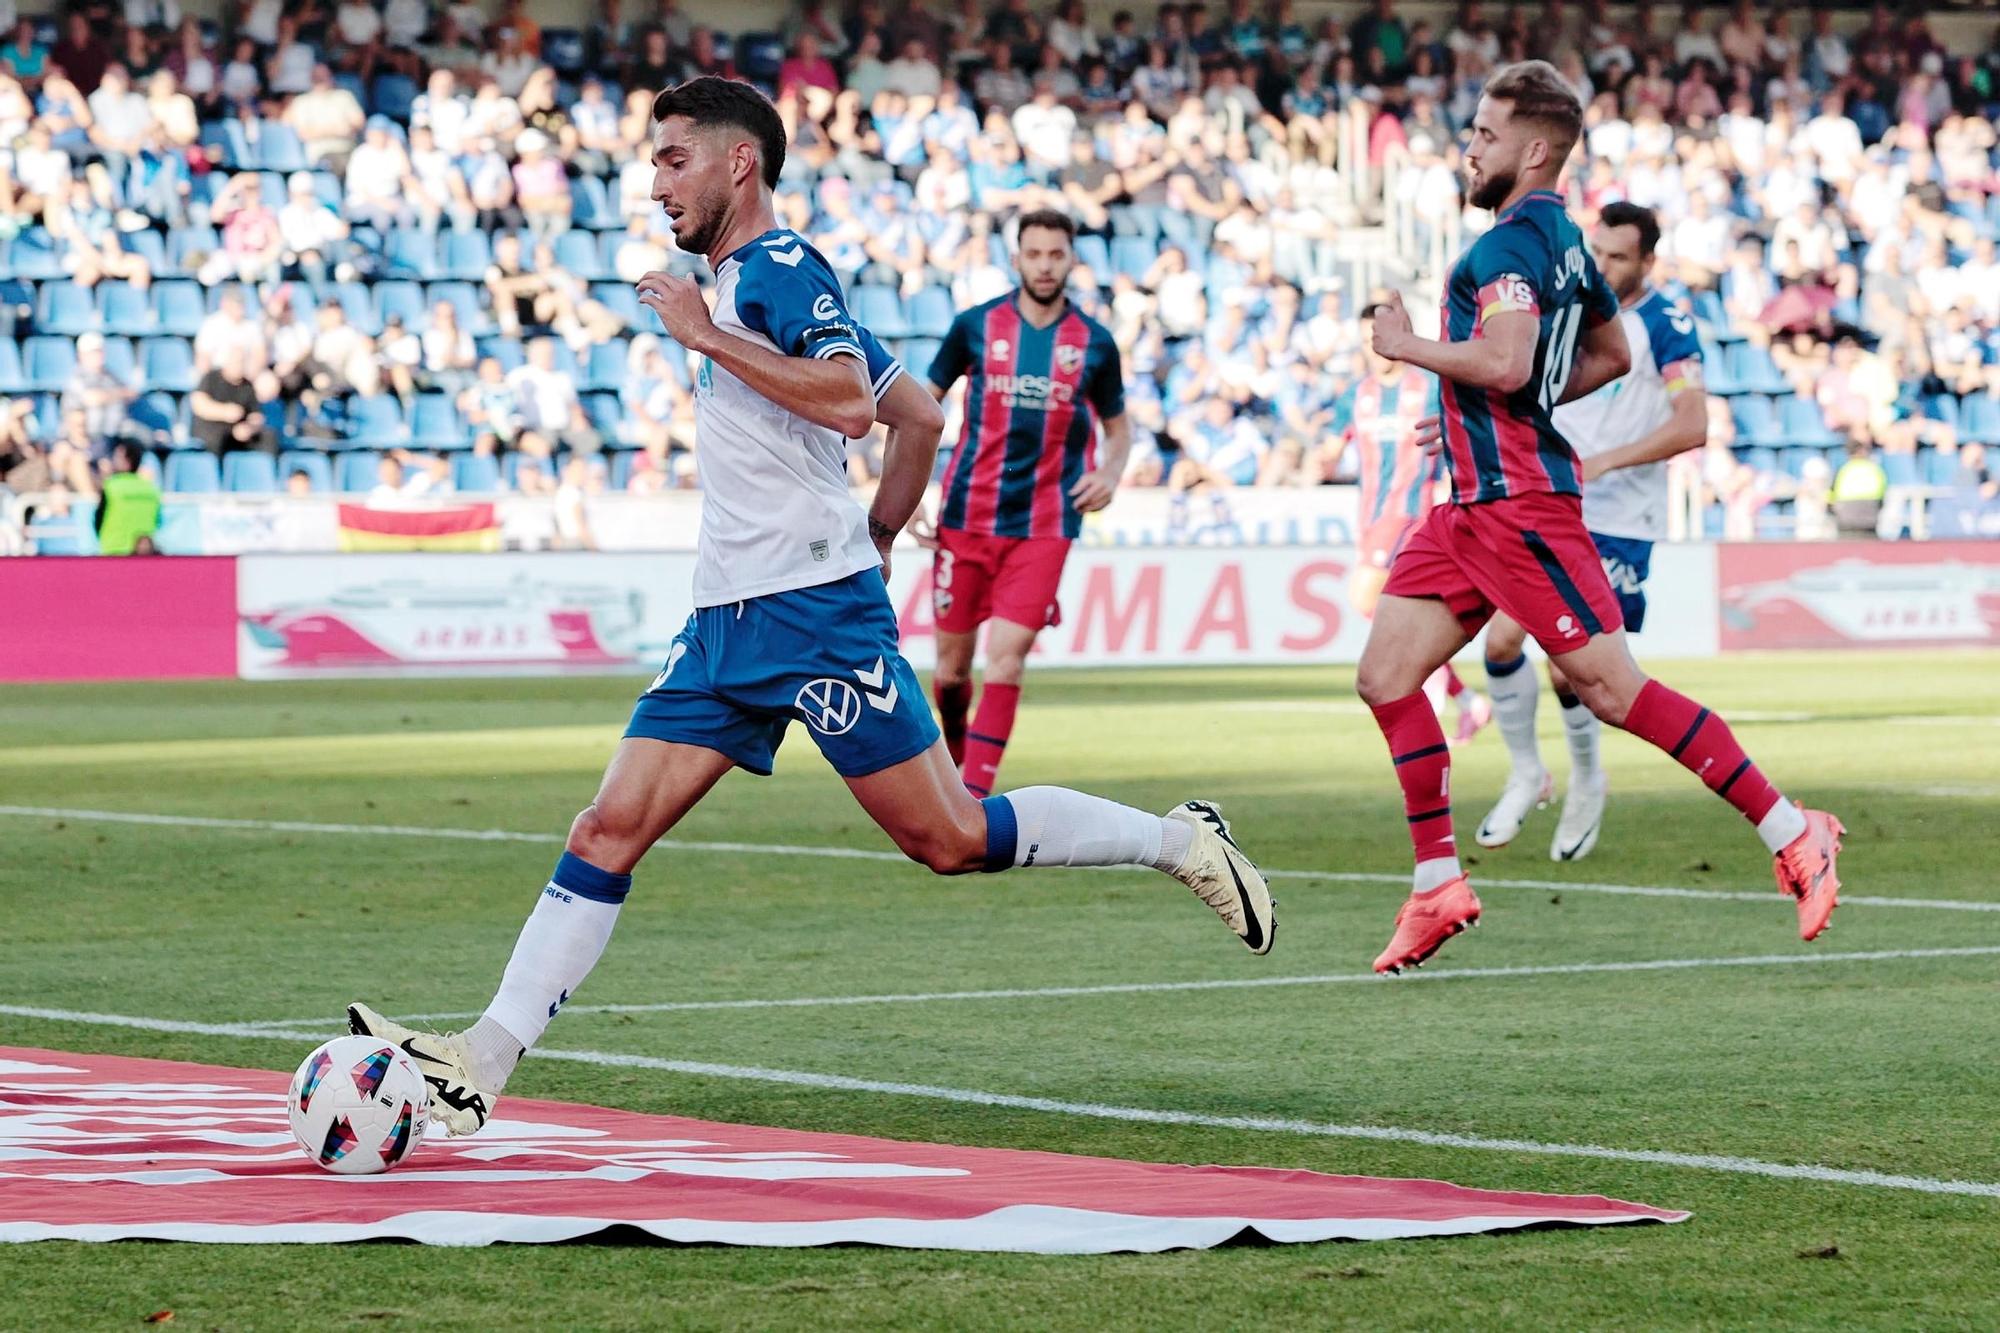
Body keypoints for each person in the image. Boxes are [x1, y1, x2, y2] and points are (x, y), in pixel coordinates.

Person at [347, 78, 1274, 1137]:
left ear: (737, 164)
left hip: (814, 619)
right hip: (725, 621)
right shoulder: (743, 281)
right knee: (605, 828)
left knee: (950, 837)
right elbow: (918, 412)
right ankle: (483, 1061)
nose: (655, 184)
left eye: (672, 159)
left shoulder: (779, 271)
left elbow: (847, 401)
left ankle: (1175, 838)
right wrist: (878, 533)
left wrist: (706, 340)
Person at [1356, 61, 1842, 976]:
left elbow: (1505, 361)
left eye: (1487, 135)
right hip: (1467, 509)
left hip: (1521, 511)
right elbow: (1607, 353)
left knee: (1613, 692)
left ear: (1534, 151)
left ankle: (1794, 828)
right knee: (1385, 676)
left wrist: (1408, 345)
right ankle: (1436, 885)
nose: (1470, 148)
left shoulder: (1499, 254)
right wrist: (1487, 411)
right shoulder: (1570, 245)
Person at [1476, 201, 1710, 862]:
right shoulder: (1567, 306)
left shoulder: (1667, 324)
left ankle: (1587, 779)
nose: (1602, 266)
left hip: (1618, 518)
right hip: (1548, 502)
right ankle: (1527, 769)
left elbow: (1693, 424)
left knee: (1567, 668)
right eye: (1597, 251)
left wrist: (1605, 460)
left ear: (1647, 262)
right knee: (1499, 642)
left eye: (1618, 257)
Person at [918, 209, 1132, 798]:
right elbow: (919, 409)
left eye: (1055, 254)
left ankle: (975, 797)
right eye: (1033, 254)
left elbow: (1119, 430)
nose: (1044, 265)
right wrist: (907, 492)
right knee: (951, 673)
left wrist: (1110, 474)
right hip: (966, 519)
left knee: (1007, 660)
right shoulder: (974, 327)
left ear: (1071, 259)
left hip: (1046, 525)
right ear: (1016, 260)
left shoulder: (1094, 343)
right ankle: (959, 750)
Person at [1332, 301, 1490, 747]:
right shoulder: (1357, 393)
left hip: (1411, 514)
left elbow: (1461, 435)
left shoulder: (1429, 387)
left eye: (1380, 338)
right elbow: (1329, 445)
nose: (1376, 349)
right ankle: (1464, 697)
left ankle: (1432, 691)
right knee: (1390, 611)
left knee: (1366, 596)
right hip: (1370, 516)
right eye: (1367, 341)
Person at [93, 442, 160, 555]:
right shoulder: (151, 488)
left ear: (127, 461)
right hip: (144, 553)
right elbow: (158, 521)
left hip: (114, 550)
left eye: (117, 457)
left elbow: (98, 519)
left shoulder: (111, 486)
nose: (114, 460)